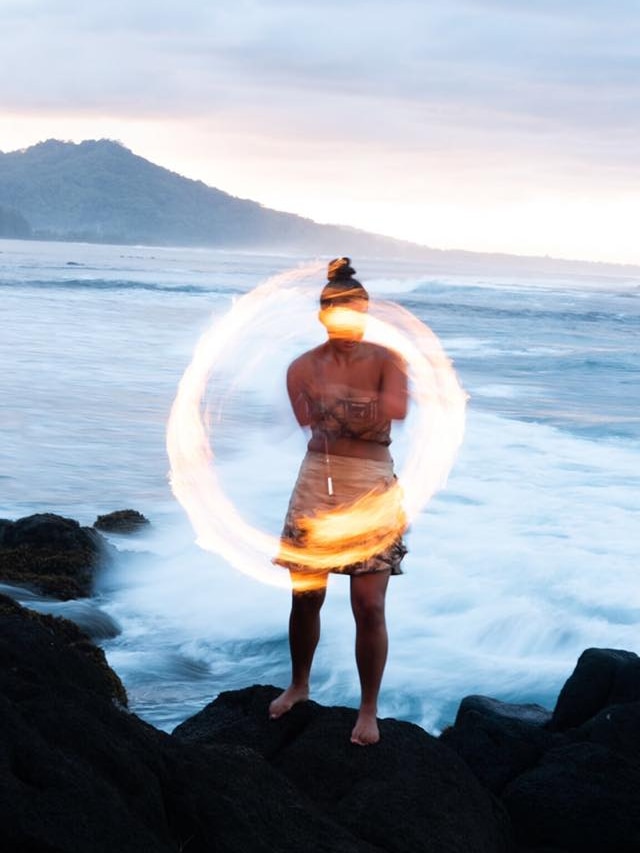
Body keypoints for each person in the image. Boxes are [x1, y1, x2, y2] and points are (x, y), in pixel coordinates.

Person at [269, 257, 408, 745]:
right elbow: (314, 423)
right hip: (317, 482)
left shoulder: (389, 361)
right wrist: (350, 406)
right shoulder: (300, 367)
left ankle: (368, 710)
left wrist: (337, 402)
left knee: (368, 605)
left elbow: (392, 412)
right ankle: (299, 685)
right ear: (324, 315)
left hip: (370, 481)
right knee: (306, 597)